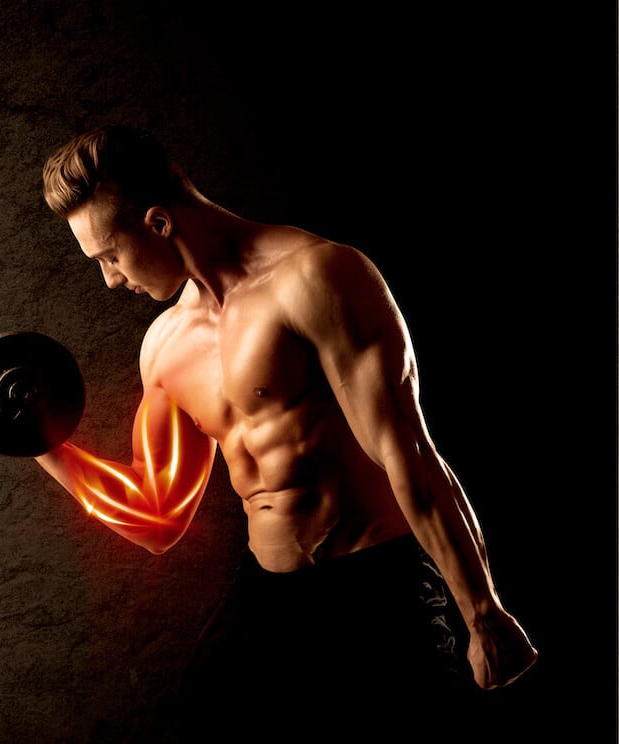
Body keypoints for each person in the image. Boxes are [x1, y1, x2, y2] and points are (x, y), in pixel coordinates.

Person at [32, 125, 538, 735]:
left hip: (376, 586)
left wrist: (481, 612)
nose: (110, 279)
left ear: (159, 222)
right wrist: (38, 438)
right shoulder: (163, 347)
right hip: (269, 591)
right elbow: (159, 517)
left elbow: (408, 455)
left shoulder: (317, 278)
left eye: (110, 255)